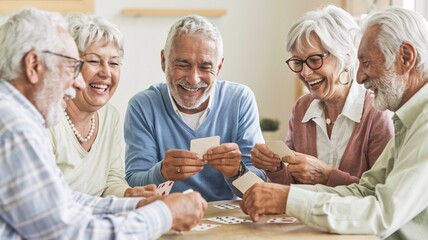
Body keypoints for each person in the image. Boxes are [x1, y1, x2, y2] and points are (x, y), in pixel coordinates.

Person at [0, 8, 206, 239]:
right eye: (71, 67)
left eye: (114, 63)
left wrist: (134, 205)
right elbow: (68, 233)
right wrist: (164, 214)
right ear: (34, 65)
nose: (78, 82)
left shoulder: (15, 115)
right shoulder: (16, 127)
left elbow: (64, 200)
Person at [241, 7, 428, 239]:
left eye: (367, 63)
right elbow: (365, 191)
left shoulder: (416, 122)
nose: (359, 77)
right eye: (298, 62)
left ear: (406, 57)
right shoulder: (408, 119)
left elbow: (382, 213)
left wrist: (288, 198)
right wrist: (281, 190)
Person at [124, 15, 266, 201]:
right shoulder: (143, 106)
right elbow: (135, 184)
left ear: (219, 66)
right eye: (183, 65)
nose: (193, 79)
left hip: (228, 222)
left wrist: (236, 172)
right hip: (169, 217)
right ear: (164, 61)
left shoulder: (240, 100)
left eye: (205, 67)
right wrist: (162, 172)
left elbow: (259, 188)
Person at [251, 5, 393, 187]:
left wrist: (327, 176)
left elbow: (382, 194)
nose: (305, 73)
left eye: (314, 60)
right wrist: (275, 168)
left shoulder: (376, 112)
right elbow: (291, 187)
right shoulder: (302, 108)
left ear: (347, 56)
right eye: (298, 62)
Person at [48, 13, 154, 198]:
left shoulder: (109, 115)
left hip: (94, 219)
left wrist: (130, 194)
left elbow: (111, 181)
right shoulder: (48, 117)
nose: (106, 73)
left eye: (114, 63)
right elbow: (50, 199)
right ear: (68, 64)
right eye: (94, 61)